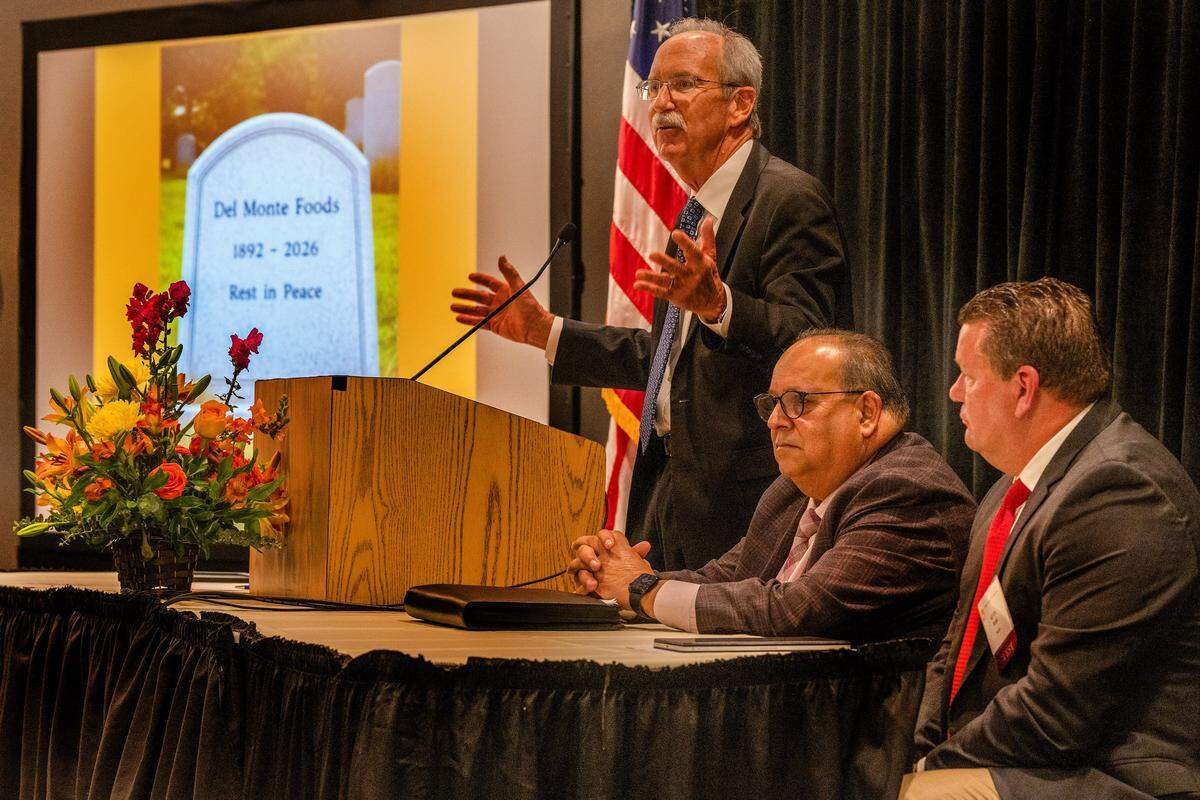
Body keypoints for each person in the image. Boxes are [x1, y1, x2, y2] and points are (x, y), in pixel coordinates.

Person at [450, 19, 851, 571]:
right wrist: (547, 332)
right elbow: (667, 362)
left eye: (682, 85)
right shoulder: (693, 213)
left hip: (747, 506)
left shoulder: (788, 199)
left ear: (740, 104)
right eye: (653, 87)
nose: (661, 103)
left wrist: (720, 307)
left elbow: (814, 345)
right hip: (670, 492)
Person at [904, 278, 1200, 800]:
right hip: (1044, 763)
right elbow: (955, 649)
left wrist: (931, 768)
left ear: (1023, 387)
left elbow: (1058, 712)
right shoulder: (1008, 490)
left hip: (1117, 775)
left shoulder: (1119, 490)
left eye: (968, 376)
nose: (954, 392)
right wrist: (922, 748)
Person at [567, 330, 975, 643]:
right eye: (773, 404)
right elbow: (723, 579)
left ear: (866, 412)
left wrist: (642, 588)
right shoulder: (791, 492)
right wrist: (615, 579)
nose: (776, 421)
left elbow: (798, 608)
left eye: (798, 401)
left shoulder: (906, 490)